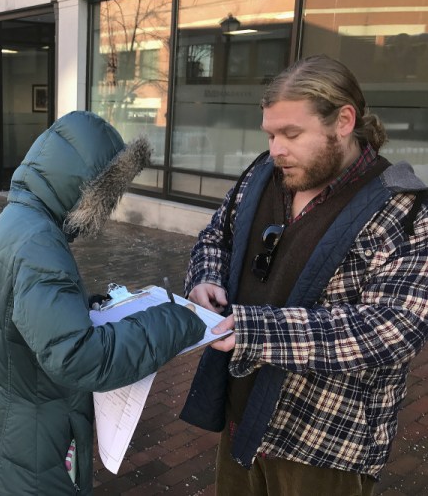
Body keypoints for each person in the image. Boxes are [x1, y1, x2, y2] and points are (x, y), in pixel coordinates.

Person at [179, 54, 428, 495]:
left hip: (323, 442)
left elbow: (395, 327)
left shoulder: (402, 208)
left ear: (344, 120)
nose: (276, 149)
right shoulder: (262, 174)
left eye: (291, 133)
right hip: (242, 415)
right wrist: (206, 278)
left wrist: (255, 330)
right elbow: (216, 236)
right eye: (271, 134)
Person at [0, 110, 206, 495]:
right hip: (27, 454)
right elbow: (77, 356)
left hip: (6, 433)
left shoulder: (20, 221)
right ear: (85, 189)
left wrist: (87, 308)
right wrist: (177, 322)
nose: (108, 212)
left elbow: (25, 316)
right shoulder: (39, 247)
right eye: (109, 197)